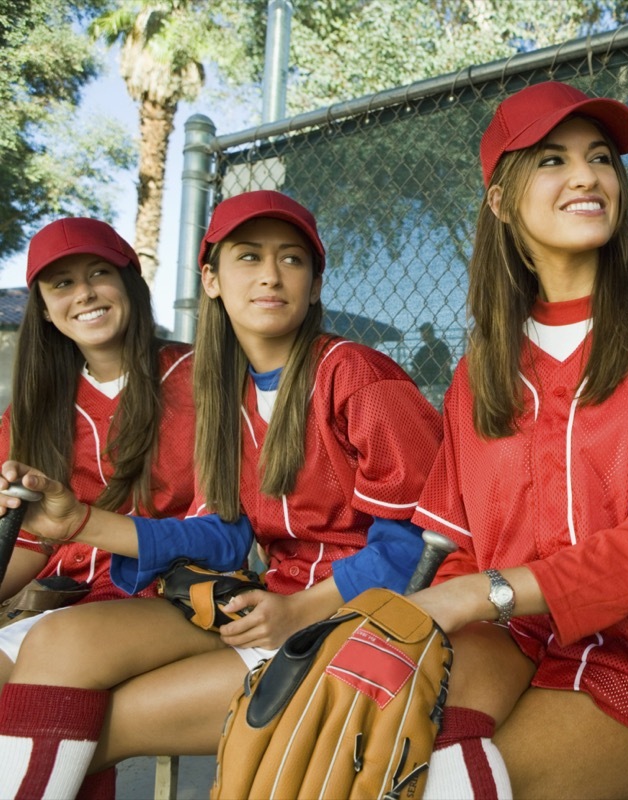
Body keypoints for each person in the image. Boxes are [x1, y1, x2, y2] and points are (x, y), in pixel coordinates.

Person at [0, 190, 442, 800]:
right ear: (209, 278)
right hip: (273, 610)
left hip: (359, 622)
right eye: (247, 257)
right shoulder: (228, 387)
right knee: (56, 713)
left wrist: (300, 608)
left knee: (67, 709)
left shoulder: (353, 373)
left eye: (291, 259)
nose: (269, 275)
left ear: (315, 284)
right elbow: (239, 530)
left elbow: (424, 544)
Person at [405, 80, 628, 800]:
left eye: (601, 159)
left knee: (447, 790)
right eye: (553, 159)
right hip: (514, 643)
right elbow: (464, 547)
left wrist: (478, 596)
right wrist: (438, 616)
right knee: (371, 756)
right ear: (500, 199)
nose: (587, 175)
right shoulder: (480, 367)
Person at [0, 218, 195, 685]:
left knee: (56, 656)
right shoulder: (31, 411)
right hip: (68, 594)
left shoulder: (201, 375)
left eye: (98, 273)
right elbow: (29, 540)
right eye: (62, 283)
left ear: (130, 282)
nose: (84, 293)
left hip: (175, 591)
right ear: (45, 309)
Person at [410, 321, 453, 389]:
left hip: (439, 383)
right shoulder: (423, 350)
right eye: (421, 332)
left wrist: (443, 374)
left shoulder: (440, 345)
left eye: (424, 331)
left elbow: (448, 361)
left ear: (431, 332)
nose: (422, 334)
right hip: (424, 384)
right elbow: (414, 368)